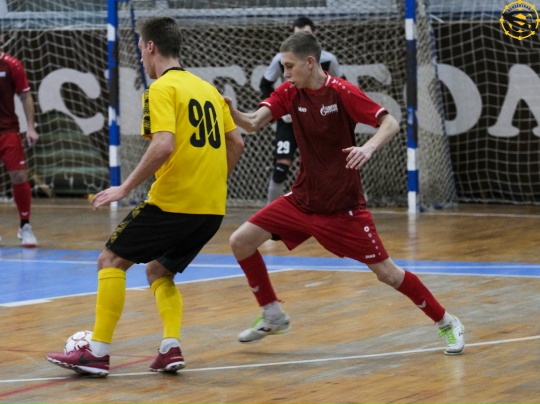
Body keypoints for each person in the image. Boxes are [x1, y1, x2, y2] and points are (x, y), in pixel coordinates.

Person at [226, 32, 465, 355]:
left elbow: (390, 123)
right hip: (302, 201)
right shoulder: (289, 92)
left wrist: (368, 147)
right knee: (240, 241)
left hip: (343, 209)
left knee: (388, 273)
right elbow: (254, 122)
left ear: (310, 63)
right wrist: (231, 111)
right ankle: (273, 315)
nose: (285, 73)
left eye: (289, 66)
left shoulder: (342, 92)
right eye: (283, 67)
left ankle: (447, 322)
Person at [46, 16, 244, 377]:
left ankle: (97, 353)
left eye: (140, 47)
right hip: (211, 209)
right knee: (158, 271)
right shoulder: (208, 90)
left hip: (173, 204)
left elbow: (163, 144)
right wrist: (212, 181)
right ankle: (170, 347)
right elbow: (237, 143)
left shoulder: (161, 90)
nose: (140, 54)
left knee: (110, 260)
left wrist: (124, 187)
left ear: (151, 47)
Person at [261, 16, 346, 203]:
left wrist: (331, 113)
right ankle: (271, 214)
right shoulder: (281, 60)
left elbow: (342, 88)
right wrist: (280, 110)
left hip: (318, 120)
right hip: (290, 121)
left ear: (314, 35)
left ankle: (333, 207)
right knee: (280, 168)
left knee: (326, 167)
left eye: (306, 34)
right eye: (297, 36)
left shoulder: (328, 59)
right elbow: (265, 84)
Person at [0, 34, 39, 247]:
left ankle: (25, 226)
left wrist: (30, 127)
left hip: (8, 131)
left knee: (18, 175)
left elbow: (25, 96)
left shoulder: (12, 65)